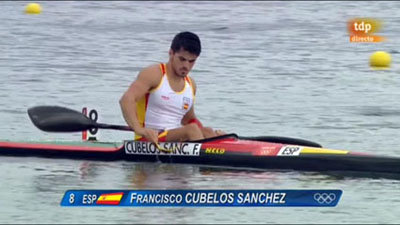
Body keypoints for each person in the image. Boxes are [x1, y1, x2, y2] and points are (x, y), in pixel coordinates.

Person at [120, 31, 225, 144]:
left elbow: (188, 119)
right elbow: (126, 100)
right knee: (192, 130)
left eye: (191, 61)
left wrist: (213, 136)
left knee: (208, 130)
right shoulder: (155, 74)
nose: (186, 66)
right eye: (182, 59)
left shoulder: (191, 85)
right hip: (148, 140)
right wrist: (139, 129)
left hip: (174, 138)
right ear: (171, 53)